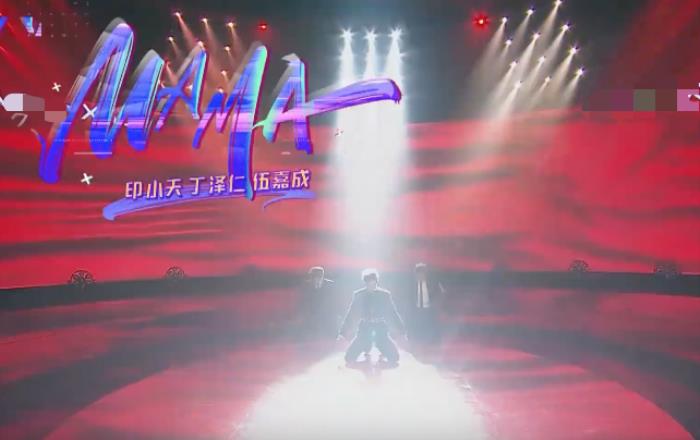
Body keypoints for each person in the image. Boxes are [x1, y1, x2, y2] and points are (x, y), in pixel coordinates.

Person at [338, 268, 406, 366]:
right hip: (364, 329)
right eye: (369, 284)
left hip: (380, 329)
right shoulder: (359, 295)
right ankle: (366, 346)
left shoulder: (384, 295)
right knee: (349, 358)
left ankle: (381, 347)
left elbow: (392, 313)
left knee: (394, 357)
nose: (371, 286)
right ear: (365, 283)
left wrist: (401, 331)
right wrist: (343, 333)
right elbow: (351, 313)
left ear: (376, 282)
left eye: (373, 283)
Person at [406, 262, 445, 343]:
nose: (420, 276)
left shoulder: (434, 284)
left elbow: (440, 294)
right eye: (418, 274)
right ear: (416, 275)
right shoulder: (411, 286)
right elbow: (408, 298)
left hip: (429, 311)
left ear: (425, 274)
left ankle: (433, 341)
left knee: (431, 327)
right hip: (416, 312)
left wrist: (435, 305)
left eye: (422, 274)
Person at [298, 266, 337, 338]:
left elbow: (334, 302)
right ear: (311, 278)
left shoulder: (330, 286)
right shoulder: (306, 286)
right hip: (312, 313)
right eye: (313, 278)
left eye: (319, 277)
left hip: (327, 314)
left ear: (322, 277)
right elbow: (303, 301)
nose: (316, 280)